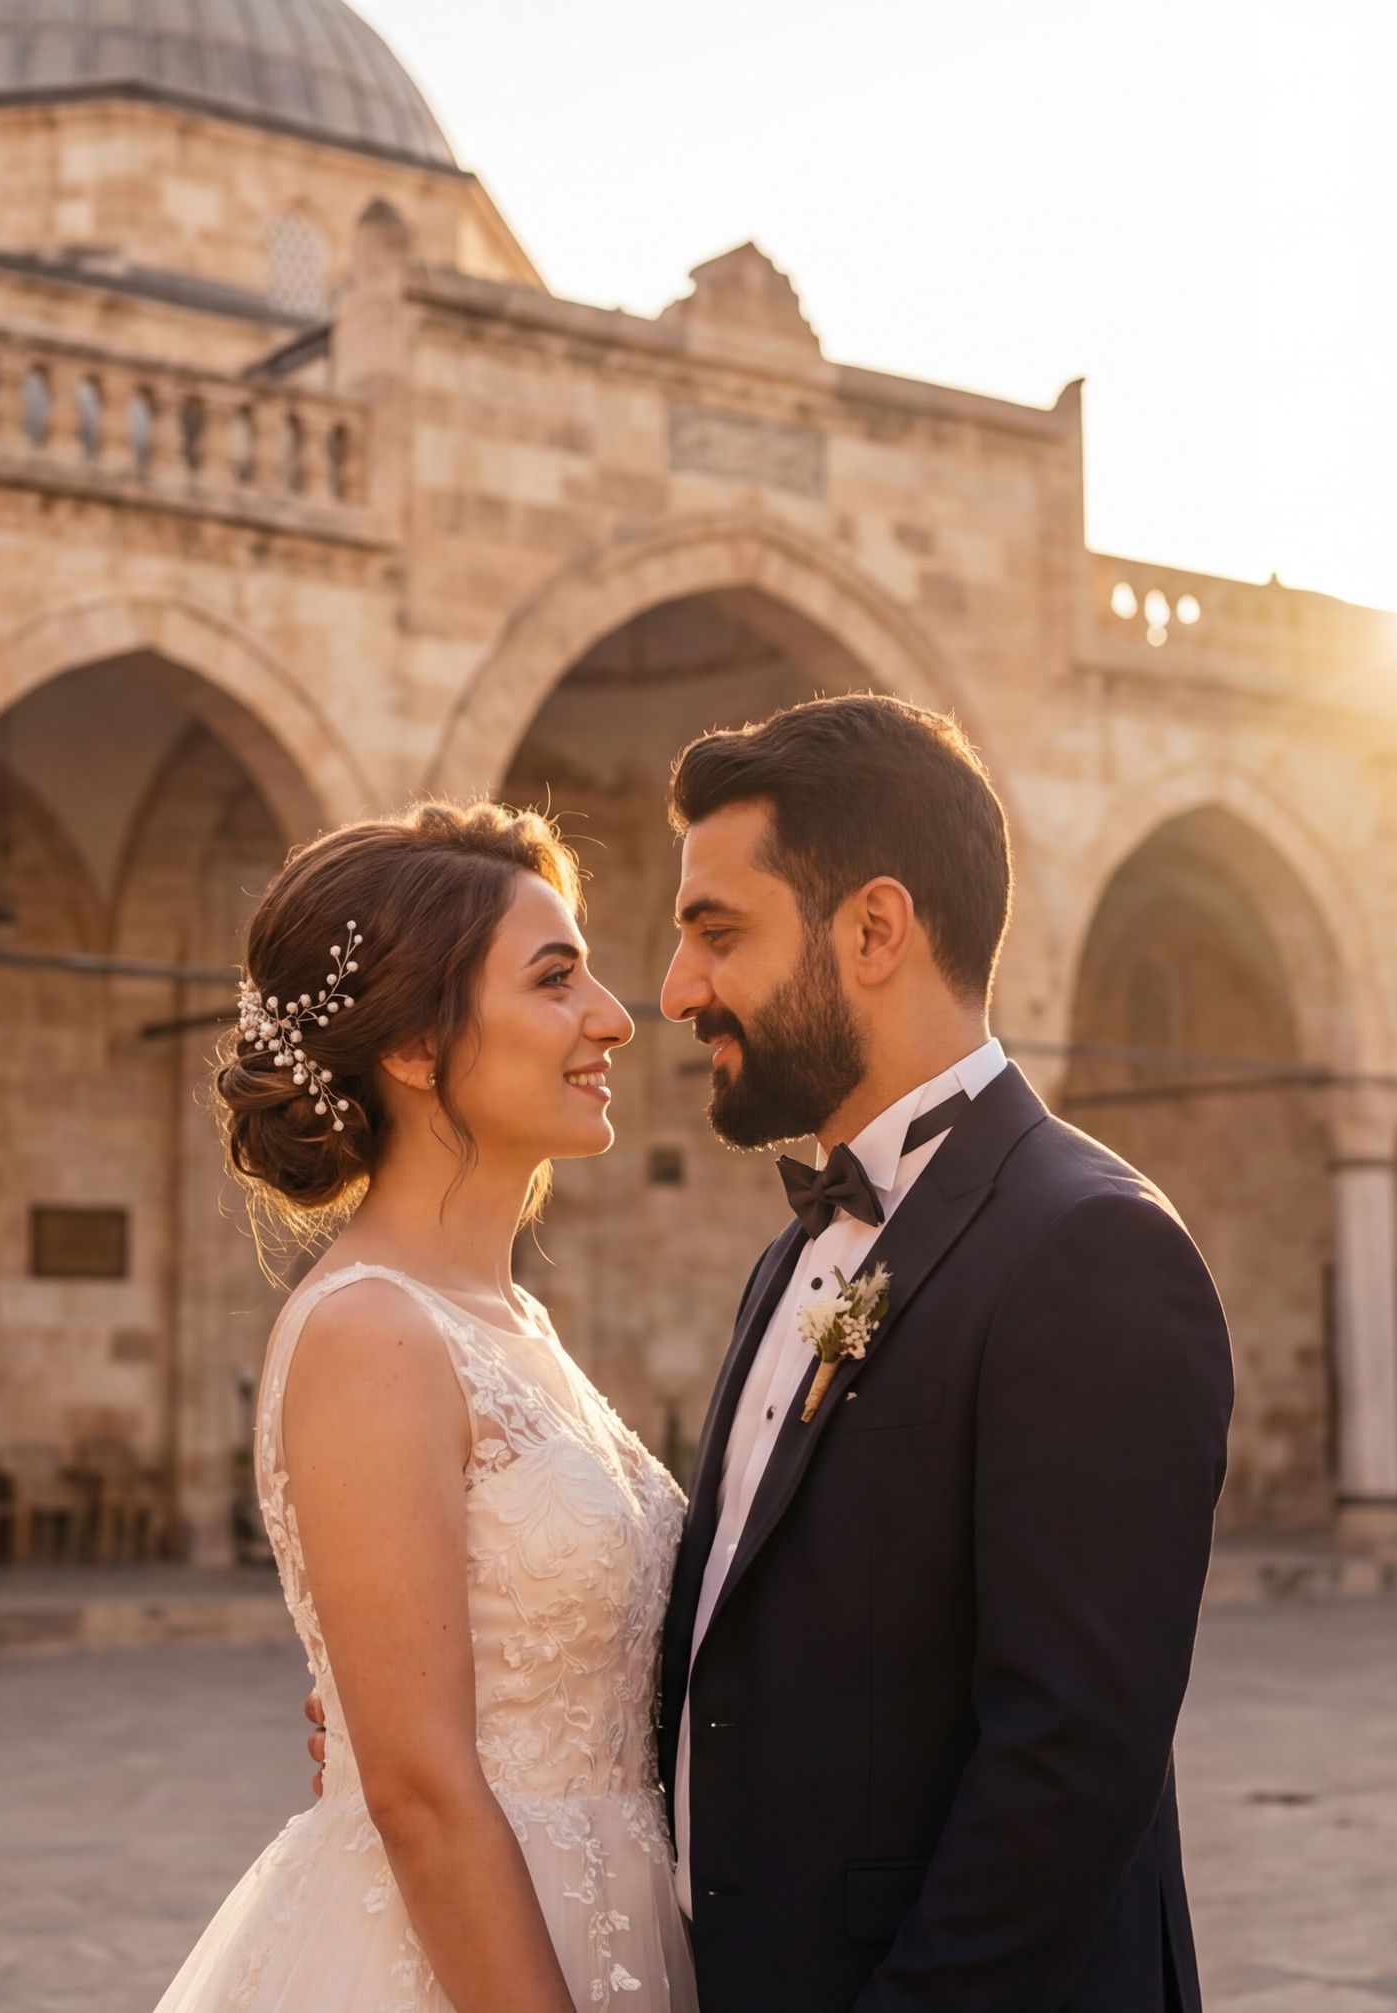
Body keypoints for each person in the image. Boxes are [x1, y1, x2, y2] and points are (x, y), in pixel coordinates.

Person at [294, 696, 1237, 2010]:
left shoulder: (1087, 1250)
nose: (673, 994)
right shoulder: (790, 1260)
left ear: (873, 930)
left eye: (715, 935)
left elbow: (1071, 1765)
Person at [151, 800, 692, 2013]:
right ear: (412, 1045)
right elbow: (422, 1793)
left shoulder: (511, 1324)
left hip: (610, 1908)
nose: (612, 1017)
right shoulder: (371, 1332)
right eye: (556, 980)